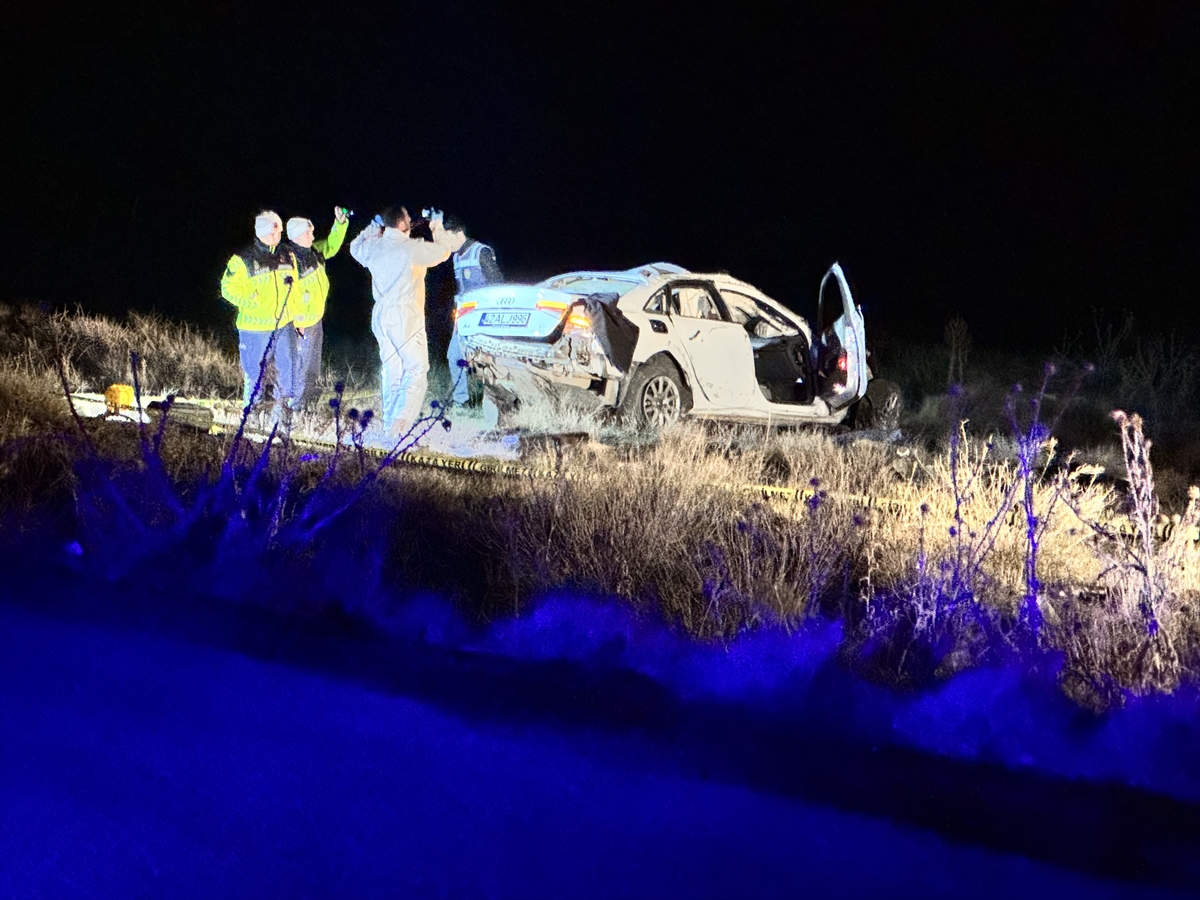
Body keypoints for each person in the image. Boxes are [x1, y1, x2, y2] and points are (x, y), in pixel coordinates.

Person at [349, 205, 455, 439]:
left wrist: (373, 227)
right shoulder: (410, 248)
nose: (411, 220)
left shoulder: (374, 247)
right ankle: (400, 426)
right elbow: (443, 252)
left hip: (381, 314)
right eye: (407, 218)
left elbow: (355, 247)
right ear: (401, 223)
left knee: (393, 370)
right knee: (417, 368)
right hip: (405, 315)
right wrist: (437, 226)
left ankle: (390, 425)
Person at [220, 210, 299, 417]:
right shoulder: (242, 259)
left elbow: (296, 287)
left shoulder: (288, 255)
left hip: (284, 324)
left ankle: (284, 412)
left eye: (279, 230)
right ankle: (251, 414)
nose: (279, 234)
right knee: (254, 374)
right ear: (264, 231)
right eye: (275, 230)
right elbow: (227, 289)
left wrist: (297, 315)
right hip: (254, 328)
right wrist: (250, 299)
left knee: (288, 369)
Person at [284, 206, 350, 406]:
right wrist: (297, 321)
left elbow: (331, 245)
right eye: (308, 233)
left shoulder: (314, 251)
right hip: (300, 323)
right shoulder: (288, 261)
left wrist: (340, 224)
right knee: (300, 365)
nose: (313, 236)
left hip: (315, 319)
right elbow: (288, 295)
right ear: (297, 236)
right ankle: (295, 405)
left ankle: (308, 403)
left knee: (312, 366)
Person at [442, 214, 503, 407]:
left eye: (447, 238)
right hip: (463, 318)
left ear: (458, 233)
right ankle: (461, 401)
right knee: (454, 356)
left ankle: (492, 402)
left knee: (486, 360)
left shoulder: (480, 252)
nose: (446, 243)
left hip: (484, 318)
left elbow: (497, 284)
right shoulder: (455, 257)